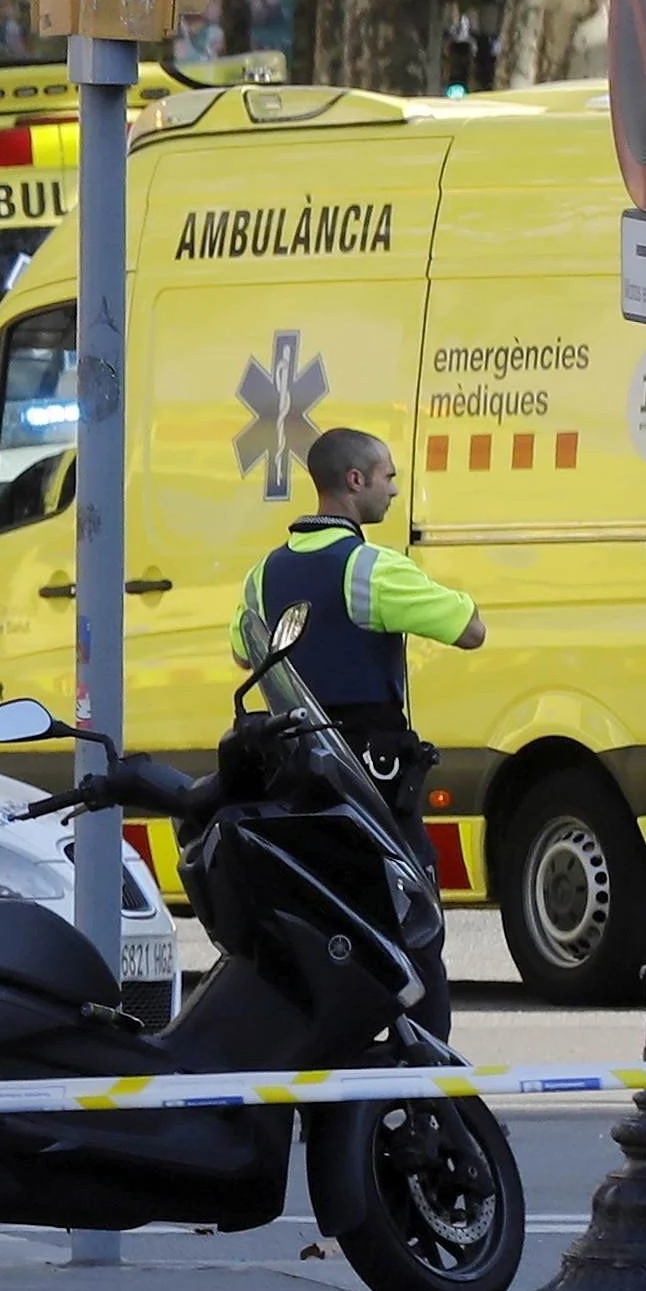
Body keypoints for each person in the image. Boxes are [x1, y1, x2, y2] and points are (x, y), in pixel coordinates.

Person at [238, 426, 487, 1016]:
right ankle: (425, 1082)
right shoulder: (370, 569)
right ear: (355, 482)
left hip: (297, 786)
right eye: (388, 477)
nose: (394, 491)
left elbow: (243, 649)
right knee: (415, 930)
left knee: (324, 929)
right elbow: (471, 630)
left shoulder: (262, 575)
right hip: (373, 789)